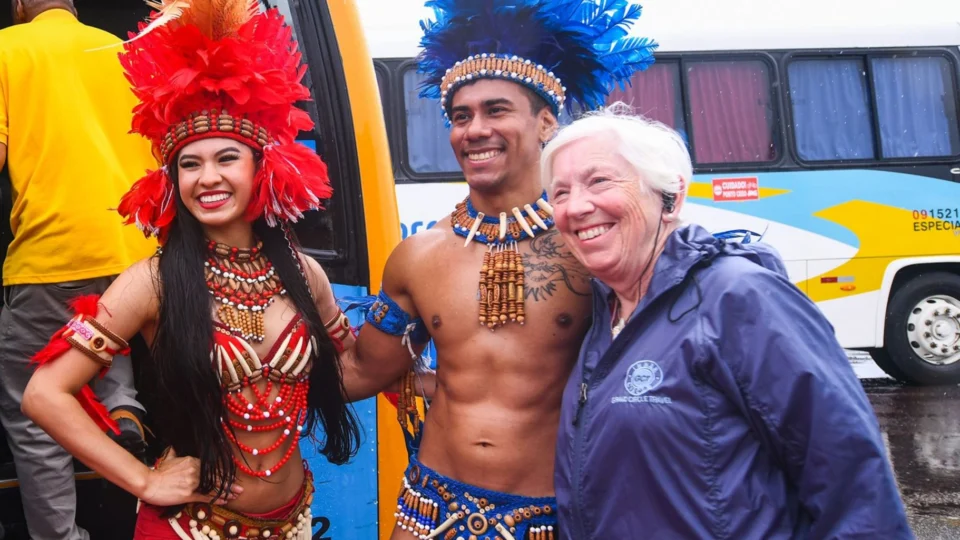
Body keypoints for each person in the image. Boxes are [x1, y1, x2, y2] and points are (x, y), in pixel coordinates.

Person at [20, 1, 362, 538]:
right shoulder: (151, 281)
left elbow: (350, 372)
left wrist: (426, 352)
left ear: (261, 166)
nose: (208, 178)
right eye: (189, 163)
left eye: (226, 158)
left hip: (291, 522)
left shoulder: (301, 272)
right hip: (190, 527)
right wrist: (142, 480)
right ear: (172, 179)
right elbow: (43, 393)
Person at [343, 2, 656, 539]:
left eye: (496, 110)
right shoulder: (418, 255)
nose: (474, 130)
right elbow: (357, 372)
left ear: (546, 123)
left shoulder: (592, 249)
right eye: (461, 116)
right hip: (429, 514)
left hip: (551, 519)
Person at [541, 106, 914, 538]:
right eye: (560, 193)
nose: (577, 207)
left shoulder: (741, 298)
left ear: (671, 197)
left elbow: (853, 487)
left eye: (599, 181)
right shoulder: (604, 315)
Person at [0, 0, 158, 537]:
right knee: (104, 330)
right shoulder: (123, 52)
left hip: (51, 250)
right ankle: (121, 405)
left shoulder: (6, 48)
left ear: (20, 5)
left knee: (31, 407)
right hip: (135, 248)